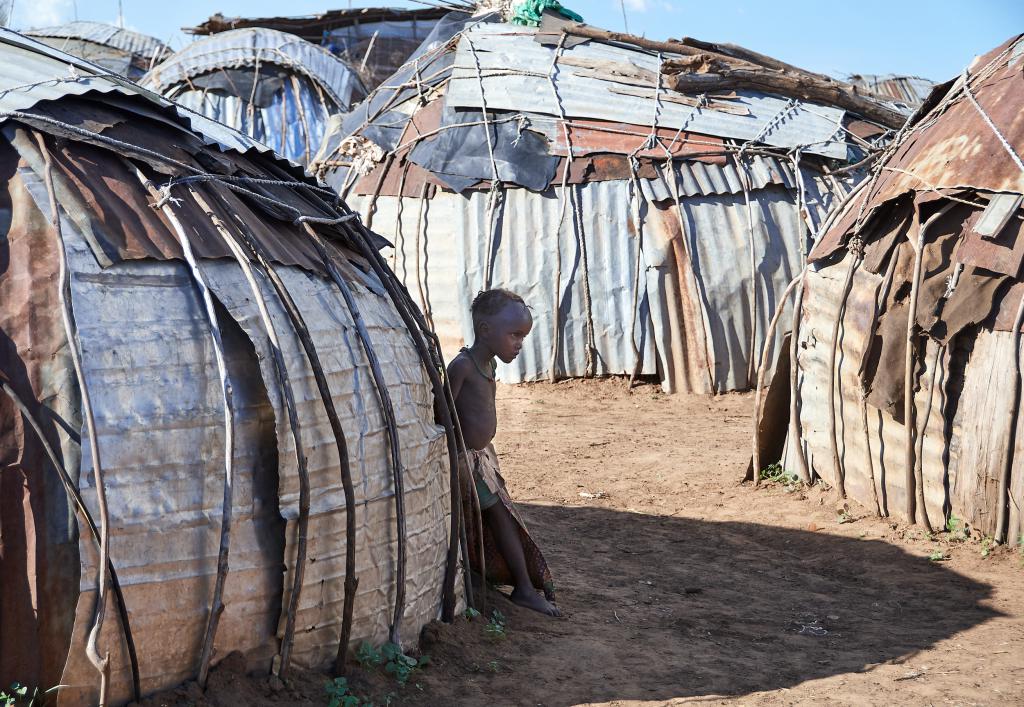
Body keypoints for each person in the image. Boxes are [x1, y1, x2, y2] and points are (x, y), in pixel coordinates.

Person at [447, 289, 559, 616]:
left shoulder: (487, 364)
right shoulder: (463, 366)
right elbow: (442, 411)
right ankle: (524, 588)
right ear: (485, 331)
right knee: (502, 518)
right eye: (514, 335)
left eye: (522, 337)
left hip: (480, 459)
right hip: (466, 460)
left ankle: (518, 583)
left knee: (502, 518)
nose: (519, 344)